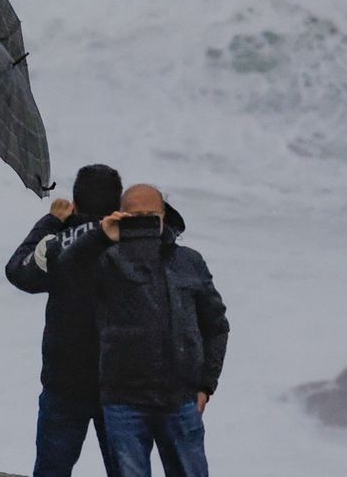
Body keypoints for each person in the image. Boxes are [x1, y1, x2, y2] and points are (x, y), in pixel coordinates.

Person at [6, 167, 187, 477]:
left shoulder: (61, 243)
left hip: (65, 380)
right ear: (117, 201)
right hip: (122, 384)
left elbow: (18, 270)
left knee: (52, 469)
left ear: (76, 201)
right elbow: (171, 233)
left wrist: (52, 220)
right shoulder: (139, 244)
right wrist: (139, 214)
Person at [58, 184, 228, 477]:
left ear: (164, 216)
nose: (144, 221)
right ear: (121, 216)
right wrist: (101, 235)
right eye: (135, 215)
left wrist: (205, 384)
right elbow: (66, 271)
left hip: (180, 398)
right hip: (124, 401)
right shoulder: (106, 260)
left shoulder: (189, 261)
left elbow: (216, 325)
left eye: (151, 215)